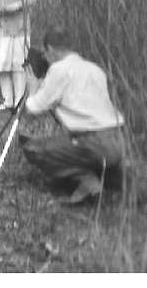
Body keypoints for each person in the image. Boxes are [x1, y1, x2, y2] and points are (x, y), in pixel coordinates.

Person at [19, 26, 126, 204]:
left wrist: (33, 88)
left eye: (45, 53)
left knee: (32, 147)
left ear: (50, 50)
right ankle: (112, 176)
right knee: (70, 144)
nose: (45, 58)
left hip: (94, 143)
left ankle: (88, 183)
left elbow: (32, 111)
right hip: (119, 140)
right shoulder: (95, 69)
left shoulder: (59, 70)